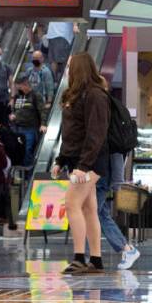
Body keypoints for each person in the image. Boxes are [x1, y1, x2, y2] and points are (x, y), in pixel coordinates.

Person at [52, 53, 111, 275]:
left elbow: (96, 134)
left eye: (69, 67)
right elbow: (71, 133)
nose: (67, 70)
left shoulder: (95, 95)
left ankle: (79, 257)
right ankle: (95, 259)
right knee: (88, 208)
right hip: (79, 160)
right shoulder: (76, 95)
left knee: (71, 202)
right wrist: (61, 160)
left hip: (90, 162)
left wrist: (83, 166)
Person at [90, 152, 140, 270]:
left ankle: (89, 257)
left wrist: (117, 182)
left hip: (100, 177)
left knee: (91, 214)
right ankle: (127, 250)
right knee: (101, 215)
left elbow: (115, 153)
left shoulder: (107, 134)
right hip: (98, 176)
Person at [10, 75, 47, 168]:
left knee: (27, 150)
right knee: (17, 151)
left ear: (25, 85)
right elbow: (15, 109)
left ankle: (27, 174)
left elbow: (42, 110)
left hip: (29, 128)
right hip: (17, 128)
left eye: (20, 87)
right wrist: (13, 115)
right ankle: (18, 173)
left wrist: (43, 124)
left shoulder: (35, 95)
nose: (19, 89)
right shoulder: (18, 96)